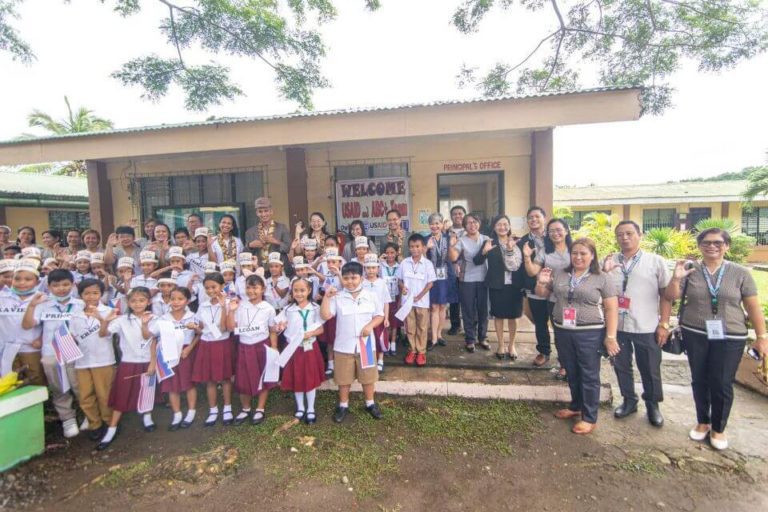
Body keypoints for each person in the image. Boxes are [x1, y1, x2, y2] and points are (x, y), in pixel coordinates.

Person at [665, 228, 768, 450]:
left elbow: (752, 306)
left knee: (721, 382)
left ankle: (719, 427)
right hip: (696, 334)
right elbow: (670, 297)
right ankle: (702, 421)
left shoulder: (740, 273)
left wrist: (761, 337)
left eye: (718, 243)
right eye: (706, 242)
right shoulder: (690, 271)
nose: (712, 246)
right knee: (699, 379)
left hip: (730, 336)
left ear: (726, 246)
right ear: (700, 246)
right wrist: (676, 277)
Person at [535, 237, 619, 435]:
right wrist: (541, 282)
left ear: (592, 256)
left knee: (589, 374)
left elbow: (611, 308)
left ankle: (589, 417)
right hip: (563, 330)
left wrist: (611, 336)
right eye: (575, 253)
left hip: (589, 333)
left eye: (583, 253)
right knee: (571, 370)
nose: (578, 257)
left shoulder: (602, 277)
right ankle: (575, 407)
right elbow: (542, 294)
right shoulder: (561, 274)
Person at [602, 220, 672, 427]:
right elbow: (600, 289)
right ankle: (629, 400)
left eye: (629, 233)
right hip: (618, 327)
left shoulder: (655, 261)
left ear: (640, 235)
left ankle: (652, 404)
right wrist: (605, 273)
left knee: (650, 367)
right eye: (620, 234)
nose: (624, 238)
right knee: (621, 365)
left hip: (646, 325)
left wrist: (664, 324)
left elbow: (666, 296)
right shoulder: (609, 260)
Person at [320, 261, 385, 423]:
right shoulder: (338, 297)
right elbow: (326, 315)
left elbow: (380, 315)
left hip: (366, 344)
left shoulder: (371, 296)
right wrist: (326, 298)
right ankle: (343, 405)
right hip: (344, 345)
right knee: (343, 378)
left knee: (368, 377)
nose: (350, 281)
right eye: (347, 278)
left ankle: (370, 403)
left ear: (361, 278)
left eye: (354, 278)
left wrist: (370, 326)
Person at [97, 287, 157, 450]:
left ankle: (147, 416)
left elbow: (151, 339)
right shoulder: (122, 320)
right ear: (128, 302)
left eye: (141, 300)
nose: (137, 304)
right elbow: (103, 334)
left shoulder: (154, 318)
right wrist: (105, 321)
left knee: (146, 390)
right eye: (133, 301)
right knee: (122, 394)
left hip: (146, 360)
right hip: (128, 361)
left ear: (148, 302)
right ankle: (112, 428)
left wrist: (153, 362)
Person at [523, 218, 573, 377]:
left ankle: (566, 362)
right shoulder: (545, 250)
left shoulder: (576, 248)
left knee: (567, 332)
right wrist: (526, 257)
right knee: (555, 328)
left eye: (559, 230)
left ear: (566, 230)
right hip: (553, 298)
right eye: (551, 231)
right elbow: (532, 271)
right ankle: (548, 355)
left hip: (574, 299)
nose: (555, 233)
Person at [226, 274, 278, 425]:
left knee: (263, 377)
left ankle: (260, 408)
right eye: (248, 287)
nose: (251, 291)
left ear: (263, 289)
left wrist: (274, 348)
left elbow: (272, 329)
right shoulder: (240, 305)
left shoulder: (268, 308)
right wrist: (231, 311)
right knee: (243, 378)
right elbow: (230, 327)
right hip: (244, 346)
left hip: (262, 346)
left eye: (255, 287)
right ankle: (246, 408)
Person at [70, 278, 116, 441]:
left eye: (95, 293)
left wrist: (99, 318)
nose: (91, 297)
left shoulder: (109, 311)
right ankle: (94, 423)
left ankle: (109, 422)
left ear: (101, 294)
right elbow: (73, 337)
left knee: (104, 394)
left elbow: (106, 333)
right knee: (85, 395)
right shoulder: (75, 315)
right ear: (81, 295)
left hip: (103, 360)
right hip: (82, 361)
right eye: (87, 293)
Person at [150, 287, 202, 430]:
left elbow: (199, 334)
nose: (176, 302)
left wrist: (188, 348)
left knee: (188, 383)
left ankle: (191, 411)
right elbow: (153, 335)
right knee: (172, 385)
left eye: (180, 299)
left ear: (187, 300)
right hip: (169, 353)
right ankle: (177, 414)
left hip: (186, 352)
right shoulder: (164, 318)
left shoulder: (192, 316)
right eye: (173, 299)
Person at [276, 278, 326, 424]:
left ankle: (310, 408)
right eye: (296, 290)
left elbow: (321, 328)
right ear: (292, 291)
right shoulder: (287, 309)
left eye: (302, 290)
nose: (299, 293)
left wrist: (310, 334)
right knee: (296, 377)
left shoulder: (315, 308)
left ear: (309, 291)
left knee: (310, 378)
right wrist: (280, 326)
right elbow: (278, 326)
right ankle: (300, 407)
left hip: (310, 348)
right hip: (294, 350)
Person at [474, 215, 524, 360]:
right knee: (499, 315)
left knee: (514, 316)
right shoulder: (489, 242)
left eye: (505, 224)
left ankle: (512, 345)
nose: (502, 227)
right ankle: (501, 344)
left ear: (509, 226)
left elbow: (522, 262)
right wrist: (485, 251)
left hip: (515, 284)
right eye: (499, 225)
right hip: (497, 284)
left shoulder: (517, 241)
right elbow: (477, 261)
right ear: (494, 227)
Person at [193, 272, 235, 427]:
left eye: (214, 287)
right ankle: (213, 409)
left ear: (222, 286)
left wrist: (224, 306)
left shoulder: (229, 303)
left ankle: (228, 407)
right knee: (210, 379)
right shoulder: (203, 305)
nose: (210, 290)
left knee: (225, 378)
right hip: (206, 344)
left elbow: (225, 328)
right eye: (207, 288)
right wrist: (196, 328)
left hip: (222, 343)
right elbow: (201, 328)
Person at [448, 213, 491, 352]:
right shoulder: (462, 240)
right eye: (469, 223)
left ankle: (483, 337)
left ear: (479, 223)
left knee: (483, 310)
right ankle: (470, 339)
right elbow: (453, 256)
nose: (472, 225)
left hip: (484, 280)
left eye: (475, 222)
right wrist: (452, 244)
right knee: (468, 310)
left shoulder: (487, 239)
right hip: (467, 280)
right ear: (465, 226)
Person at [2, 260, 45, 389]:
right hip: (6, 349)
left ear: (37, 282)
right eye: (17, 279)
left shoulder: (42, 299)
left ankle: (40, 408)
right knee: (10, 383)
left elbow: (47, 326)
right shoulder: (2, 297)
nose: (22, 283)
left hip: (30, 349)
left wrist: (41, 338)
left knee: (36, 380)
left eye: (28, 279)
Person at [517, 207, 551, 366]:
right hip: (534, 288)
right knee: (540, 321)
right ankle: (544, 351)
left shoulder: (554, 237)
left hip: (557, 288)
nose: (533, 220)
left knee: (560, 322)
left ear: (544, 218)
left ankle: (566, 357)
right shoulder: (523, 241)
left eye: (537, 216)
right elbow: (519, 267)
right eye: (530, 217)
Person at [398, 234, 436, 366]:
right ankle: (412, 350)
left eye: (417, 246)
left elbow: (430, 283)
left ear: (423, 247)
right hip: (407, 302)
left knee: (422, 327)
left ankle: (421, 352)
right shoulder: (404, 263)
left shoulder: (428, 264)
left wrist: (420, 296)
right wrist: (402, 287)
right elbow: (400, 280)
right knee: (410, 327)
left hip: (422, 302)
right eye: (412, 246)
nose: (414, 249)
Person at [425, 213, 458, 350]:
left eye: (437, 223)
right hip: (432, 275)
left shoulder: (449, 238)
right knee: (433, 307)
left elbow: (454, 258)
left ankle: (439, 335)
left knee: (443, 306)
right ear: (429, 225)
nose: (435, 226)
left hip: (446, 274)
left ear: (442, 224)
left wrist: (451, 245)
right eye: (432, 223)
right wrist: (426, 248)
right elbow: (419, 258)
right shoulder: (425, 239)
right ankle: (433, 338)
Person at [362, 253, 392, 371]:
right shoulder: (362, 283)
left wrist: (386, 318)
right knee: (368, 337)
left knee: (380, 338)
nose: (371, 270)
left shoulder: (382, 283)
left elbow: (386, 301)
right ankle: (369, 359)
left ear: (378, 268)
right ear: (365, 269)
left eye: (373, 268)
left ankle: (380, 359)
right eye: (368, 268)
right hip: (366, 317)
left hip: (379, 316)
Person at [245, 197, 292, 267]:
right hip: (259, 269)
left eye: (266, 211)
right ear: (257, 213)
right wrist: (250, 245)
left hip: (280, 269)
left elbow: (288, 248)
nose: (263, 214)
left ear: (271, 212)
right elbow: (246, 255)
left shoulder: (282, 228)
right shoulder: (250, 232)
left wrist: (275, 241)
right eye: (260, 211)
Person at [447, 205, 466, 335]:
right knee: (454, 299)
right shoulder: (446, 232)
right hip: (451, 269)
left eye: (460, 213)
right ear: (451, 216)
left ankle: (470, 326)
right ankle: (455, 325)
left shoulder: (470, 230)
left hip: (467, 269)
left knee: (468, 299)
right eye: (455, 214)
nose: (458, 216)